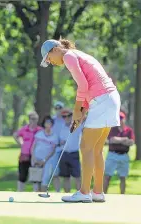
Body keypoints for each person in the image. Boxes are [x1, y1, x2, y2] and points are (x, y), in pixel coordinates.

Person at [40, 38, 120, 202]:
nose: (50, 62)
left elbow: (83, 86)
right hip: (110, 98)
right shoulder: (76, 54)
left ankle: (84, 193)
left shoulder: (68, 56)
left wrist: (77, 109)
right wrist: (82, 112)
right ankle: (97, 192)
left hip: (102, 100)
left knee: (85, 147)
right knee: (96, 149)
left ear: (55, 49)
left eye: (48, 58)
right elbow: (89, 86)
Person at [103, 111, 135, 194]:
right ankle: (103, 194)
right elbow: (112, 140)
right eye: (118, 119)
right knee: (107, 176)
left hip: (124, 155)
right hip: (112, 155)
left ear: (124, 119)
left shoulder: (129, 130)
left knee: (123, 177)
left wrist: (118, 140)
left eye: (121, 118)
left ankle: (122, 196)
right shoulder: (112, 129)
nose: (119, 120)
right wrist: (124, 139)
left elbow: (131, 142)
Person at [13, 111, 42, 192]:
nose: (34, 121)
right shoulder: (24, 129)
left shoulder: (40, 130)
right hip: (24, 155)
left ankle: (35, 194)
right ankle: (20, 192)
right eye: (32, 119)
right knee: (22, 176)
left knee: (35, 177)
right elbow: (15, 135)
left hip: (35, 156)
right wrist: (20, 142)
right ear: (29, 120)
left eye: (36, 119)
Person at [30, 115, 59, 192]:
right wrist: (33, 158)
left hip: (47, 160)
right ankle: (35, 197)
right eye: (46, 122)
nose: (48, 124)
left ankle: (42, 196)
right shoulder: (39, 134)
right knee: (36, 179)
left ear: (52, 124)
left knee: (45, 178)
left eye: (49, 122)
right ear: (44, 124)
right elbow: (33, 147)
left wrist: (44, 160)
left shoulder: (55, 136)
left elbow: (53, 151)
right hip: (36, 159)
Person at [59, 108, 83, 193]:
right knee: (66, 177)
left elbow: (84, 117)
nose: (66, 118)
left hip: (74, 154)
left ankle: (79, 194)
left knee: (77, 176)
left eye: (69, 116)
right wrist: (61, 142)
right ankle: (67, 194)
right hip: (64, 154)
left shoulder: (77, 126)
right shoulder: (61, 127)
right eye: (64, 116)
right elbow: (58, 141)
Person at [51, 101, 65, 192]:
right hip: (55, 149)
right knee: (55, 172)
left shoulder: (66, 119)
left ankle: (66, 191)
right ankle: (57, 191)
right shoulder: (52, 120)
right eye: (56, 108)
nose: (58, 110)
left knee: (65, 173)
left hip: (65, 149)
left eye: (60, 108)